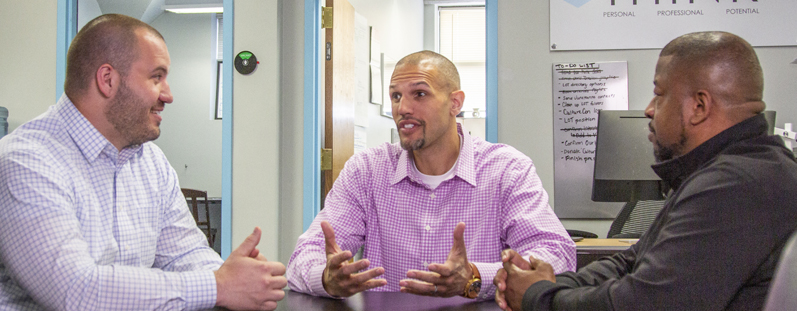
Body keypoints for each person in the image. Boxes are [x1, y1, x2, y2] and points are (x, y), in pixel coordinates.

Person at [0, 14, 286, 310]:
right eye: (156, 77)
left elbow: (184, 255)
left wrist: (236, 278)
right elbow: (76, 292)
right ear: (108, 80)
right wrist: (219, 286)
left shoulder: (151, 161)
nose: (169, 95)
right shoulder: (26, 161)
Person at [494, 31, 797, 311]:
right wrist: (551, 285)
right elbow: (632, 261)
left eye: (660, 94)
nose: (650, 109)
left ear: (699, 106)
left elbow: (642, 303)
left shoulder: (735, 185)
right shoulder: (731, 170)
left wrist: (538, 297)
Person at [287, 50, 575, 301]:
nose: (403, 108)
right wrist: (328, 279)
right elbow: (304, 257)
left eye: (419, 94)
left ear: (455, 103)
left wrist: (474, 277)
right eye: (396, 96)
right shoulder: (366, 170)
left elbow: (556, 255)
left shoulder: (507, 169)